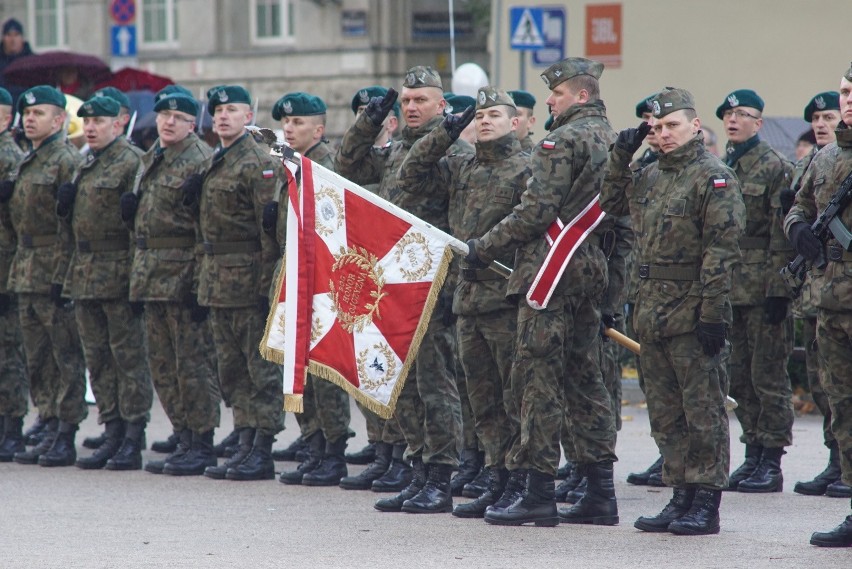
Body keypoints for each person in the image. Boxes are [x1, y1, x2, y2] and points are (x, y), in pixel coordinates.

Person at [466, 57, 619, 527]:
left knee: (537, 383)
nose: (549, 101)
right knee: (584, 378)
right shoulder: (611, 139)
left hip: (548, 273)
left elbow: (535, 212)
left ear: (581, 96)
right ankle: (600, 492)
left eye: (556, 94)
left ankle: (538, 491)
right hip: (590, 269)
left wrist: (483, 246)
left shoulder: (561, 140)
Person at [602, 86, 745, 535]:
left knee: (701, 409)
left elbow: (721, 252)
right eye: (656, 128)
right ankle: (680, 493)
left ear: (695, 126)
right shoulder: (648, 176)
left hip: (692, 310)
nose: (663, 135)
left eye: (671, 126)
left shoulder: (714, 177)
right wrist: (619, 158)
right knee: (664, 411)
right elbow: (609, 204)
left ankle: (705, 501)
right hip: (651, 310)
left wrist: (713, 314)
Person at [335, 65, 466, 514]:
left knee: (435, 384)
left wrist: (453, 288)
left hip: (433, 284)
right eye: (406, 101)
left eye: (421, 101)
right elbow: (347, 164)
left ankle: (443, 475)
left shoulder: (455, 152)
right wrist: (368, 121)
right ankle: (419, 467)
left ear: (441, 104)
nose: (412, 108)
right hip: (389, 284)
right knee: (401, 384)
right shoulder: (393, 150)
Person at [398, 86, 530, 518]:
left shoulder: (526, 169)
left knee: (514, 400)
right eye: (480, 115)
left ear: (515, 123)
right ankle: (497, 479)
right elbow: (410, 172)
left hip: (506, 299)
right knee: (483, 403)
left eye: (495, 114)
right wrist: (446, 132)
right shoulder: (464, 166)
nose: (485, 120)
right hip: (467, 297)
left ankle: (519, 481)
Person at [180, 85, 284, 482]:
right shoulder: (216, 160)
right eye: (218, 110)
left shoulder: (258, 159)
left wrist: (264, 288)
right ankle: (244, 438)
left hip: (246, 281)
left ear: (248, 115)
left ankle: (263, 446)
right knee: (232, 370)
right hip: (216, 281)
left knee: (259, 369)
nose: (223, 116)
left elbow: (268, 231)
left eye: (232, 110)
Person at [120, 88, 220, 476]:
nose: (168, 121)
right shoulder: (151, 157)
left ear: (192, 123)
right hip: (150, 276)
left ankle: (202, 440)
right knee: (163, 365)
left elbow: (203, 228)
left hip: (181, 276)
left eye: (178, 117)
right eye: (163, 115)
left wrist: (198, 284)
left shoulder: (199, 160)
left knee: (192, 364)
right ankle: (183, 434)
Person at [52, 95, 153, 470]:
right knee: (98, 359)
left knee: (127, 358)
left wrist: (137, 280)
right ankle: (111, 428)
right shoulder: (85, 163)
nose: (90, 127)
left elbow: (139, 227)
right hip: (84, 273)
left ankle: (132, 434)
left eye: (99, 121)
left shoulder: (131, 162)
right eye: (86, 121)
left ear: (119, 123)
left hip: (118, 272)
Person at [271, 91, 354, 488]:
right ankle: (313, 443)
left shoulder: (326, 167)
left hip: (320, 282)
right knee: (295, 363)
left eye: (298, 122)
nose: (289, 128)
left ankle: (333, 450)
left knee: (321, 368)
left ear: (319, 129)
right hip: (292, 275)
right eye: (286, 122)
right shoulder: (291, 164)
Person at [784, 63, 852, 548]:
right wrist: (799, 231)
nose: (848, 99)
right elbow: (797, 207)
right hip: (830, 302)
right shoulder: (825, 158)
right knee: (842, 408)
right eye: (846, 91)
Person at [2, 86, 87, 467]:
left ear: (59, 121)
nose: (30, 119)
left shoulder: (66, 160)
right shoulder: (29, 160)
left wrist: (65, 274)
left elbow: (74, 224)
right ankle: (48, 420)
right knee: (37, 357)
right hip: (26, 267)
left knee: (64, 353)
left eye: (39, 114)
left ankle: (66, 431)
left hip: (53, 266)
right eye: (27, 114)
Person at [716, 89, 796, 493]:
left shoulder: (774, 167)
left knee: (768, 376)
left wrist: (780, 290)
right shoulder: (721, 166)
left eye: (742, 114)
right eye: (728, 115)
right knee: (739, 377)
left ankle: (771, 459)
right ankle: (752, 451)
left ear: (758, 123)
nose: (733, 120)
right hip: (732, 289)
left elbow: (782, 236)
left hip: (763, 288)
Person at [336, 84, 410, 491]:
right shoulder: (369, 159)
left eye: (377, 114)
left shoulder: (400, 157)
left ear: (393, 122)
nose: (367, 119)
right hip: (367, 277)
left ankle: (401, 454)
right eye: (362, 114)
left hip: (400, 278)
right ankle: (382, 450)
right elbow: (346, 160)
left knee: (396, 370)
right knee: (370, 367)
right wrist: (367, 123)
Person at [0, 86, 27, 461]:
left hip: (6, 263)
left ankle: (12, 426)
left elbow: (17, 224)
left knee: (10, 352)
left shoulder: (9, 156)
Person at [0, 18, 34, 106]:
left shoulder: (33, 62)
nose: (12, 39)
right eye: (8, 35)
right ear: (3, 38)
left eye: (16, 35)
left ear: (22, 38)